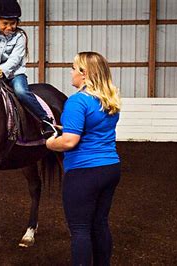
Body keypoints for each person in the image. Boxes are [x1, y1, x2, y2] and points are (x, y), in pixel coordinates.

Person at [46, 51, 121, 266]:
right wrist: (69, 127)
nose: (71, 72)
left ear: (84, 74)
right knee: (100, 223)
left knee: (80, 230)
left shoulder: (77, 101)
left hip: (84, 172)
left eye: (73, 68)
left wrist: (50, 144)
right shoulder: (109, 100)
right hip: (110, 167)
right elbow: (94, 128)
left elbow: (69, 142)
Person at [0, 0, 55, 138]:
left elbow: (15, 58)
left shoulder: (20, 37)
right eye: (5, 23)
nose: (9, 27)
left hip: (14, 74)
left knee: (21, 92)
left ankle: (45, 120)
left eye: (12, 23)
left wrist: (3, 70)